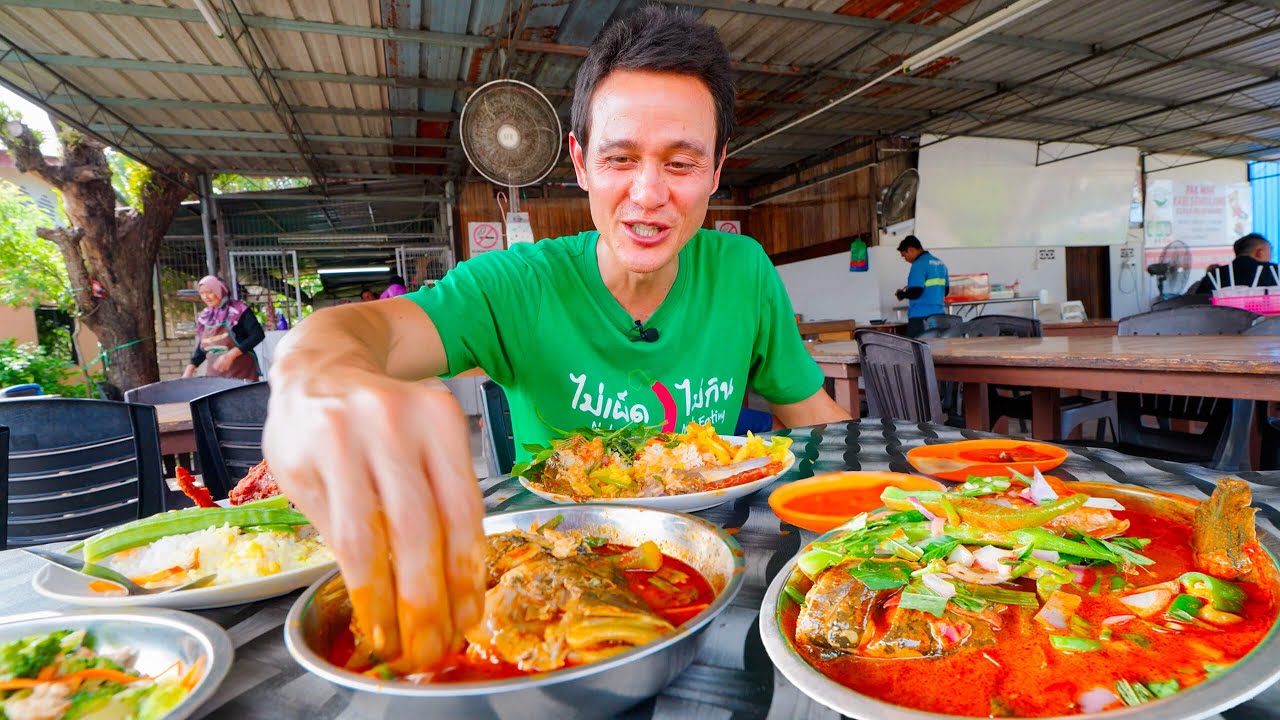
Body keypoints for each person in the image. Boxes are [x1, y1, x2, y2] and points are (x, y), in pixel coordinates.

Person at [263, 5, 849, 672]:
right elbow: (368, 332)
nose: (648, 192)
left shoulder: (745, 273)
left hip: (717, 580)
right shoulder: (514, 286)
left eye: (681, 163)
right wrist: (312, 370)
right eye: (620, 158)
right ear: (580, 162)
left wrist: (896, 507)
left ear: (717, 170)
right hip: (543, 597)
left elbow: (816, 425)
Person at [182, 275, 264, 380]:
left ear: (220, 290)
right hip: (215, 375)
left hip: (241, 373)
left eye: (210, 292)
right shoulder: (205, 316)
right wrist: (190, 368)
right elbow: (203, 345)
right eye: (202, 293)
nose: (206, 297)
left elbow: (257, 335)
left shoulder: (239, 310)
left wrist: (231, 355)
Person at [894, 235, 949, 337]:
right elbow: (946, 291)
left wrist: (901, 294)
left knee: (915, 350)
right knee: (938, 349)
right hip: (940, 316)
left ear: (910, 250)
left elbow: (915, 292)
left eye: (904, 255)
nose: (905, 259)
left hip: (921, 318)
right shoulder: (941, 264)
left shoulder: (918, 265)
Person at [1193, 233, 1277, 294]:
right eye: (1270, 252)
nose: (1270, 256)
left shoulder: (1215, 274)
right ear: (1259, 253)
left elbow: (1199, 304)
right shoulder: (1275, 272)